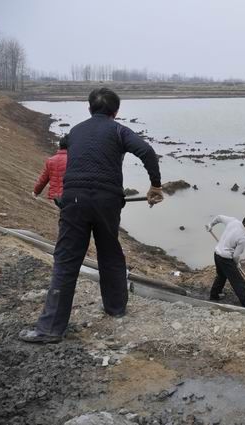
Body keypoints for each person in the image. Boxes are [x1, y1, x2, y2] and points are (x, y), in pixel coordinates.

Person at [19, 88, 164, 343]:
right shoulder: (119, 130)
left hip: (73, 200)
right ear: (116, 112)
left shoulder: (75, 132)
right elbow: (147, 152)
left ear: (89, 109)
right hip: (108, 201)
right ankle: (115, 308)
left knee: (66, 260)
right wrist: (155, 185)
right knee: (110, 253)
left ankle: (50, 329)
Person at [205, 214, 245, 308]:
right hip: (226, 259)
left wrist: (211, 224)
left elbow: (219, 218)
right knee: (239, 282)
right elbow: (236, 255)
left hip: (217, 254)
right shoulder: (243, 237)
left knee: (221, 276)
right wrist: (237, 263)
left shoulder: (233, 221)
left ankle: (214, 296)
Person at [33, 134, 69, 207]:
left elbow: (43, 179)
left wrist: (36, 191)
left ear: (60, 146)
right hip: (69, 195)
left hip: (56, 197)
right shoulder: (72, 159)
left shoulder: (51, 160)